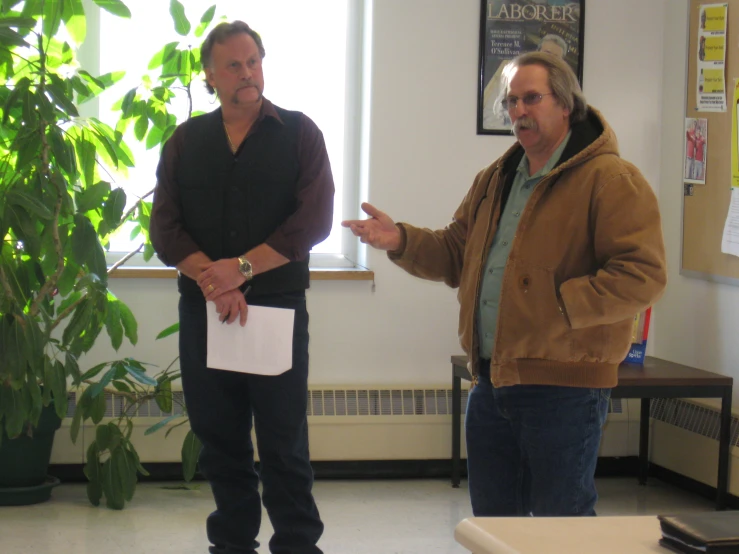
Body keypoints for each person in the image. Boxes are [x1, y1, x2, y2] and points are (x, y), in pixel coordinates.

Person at [343, 52, 667, 517]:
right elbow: (457, 252)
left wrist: (562, 305)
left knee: (563, 527)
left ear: (566, 105)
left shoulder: (611, 179)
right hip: (491, 381)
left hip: (565, 389)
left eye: (531, 98)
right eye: (511, 102)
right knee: (494, 525)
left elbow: (644, 273)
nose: (518, 111)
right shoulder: (498, 178)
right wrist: (401, 239)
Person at [150, 20, 334, 554]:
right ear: (210, 74)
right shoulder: (186, 141)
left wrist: (242, 270)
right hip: (204, 310)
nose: (247, 73)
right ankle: (232, 542)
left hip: (276, 309)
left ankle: (298, 544)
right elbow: (165, 229)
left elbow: (313, 221)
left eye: (253, 61)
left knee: (283, 440)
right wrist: (217, 279)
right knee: (219, 438)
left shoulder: (301, 133)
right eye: (233, 65)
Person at [482, 34, 569, 130]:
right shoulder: (511, 76)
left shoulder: (563, 88)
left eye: (555, 57)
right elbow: (491, 116)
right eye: (546, 53)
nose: (549, 59)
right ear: (537, 52)